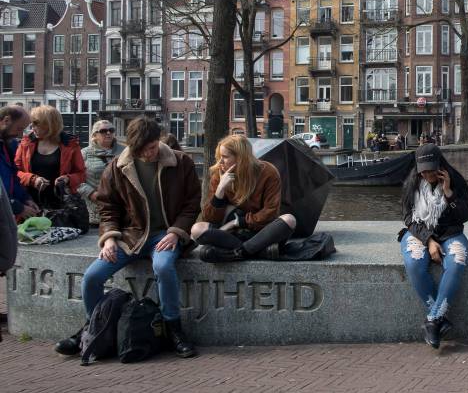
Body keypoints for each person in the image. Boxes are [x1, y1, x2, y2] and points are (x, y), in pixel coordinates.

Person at [54, 117, 201, 358]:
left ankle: (173, 329)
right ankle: (94, 330)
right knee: (92, 277)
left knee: (163, 267)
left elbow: (192, 203)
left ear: (158, 140)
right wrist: (110, 238)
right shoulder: (117, 167)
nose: (147, 155)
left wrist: (176, 232)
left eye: (152, 148)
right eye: (141, 150)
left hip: (165, 234)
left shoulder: (180, 162)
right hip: (130, 236)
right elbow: (108, 207)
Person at [398, 143, 468, 349]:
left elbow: (467, 215)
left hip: (451, 233)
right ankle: (439, 318)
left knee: (457, 261)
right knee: (414, 263)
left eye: (431, 169)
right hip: (419, 232)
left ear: (440, 164)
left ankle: (433, 319)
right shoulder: (411, 183)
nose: (427, 175)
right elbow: (408, 219)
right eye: (423, 171)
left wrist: (449, 193)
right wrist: (429, 241)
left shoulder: (455, 179)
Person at [190, 134, 296, 262]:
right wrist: (220, 190)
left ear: (240, 158)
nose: (220, 162)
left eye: (224, 157)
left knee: (289, 220)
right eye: (219, 157)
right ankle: (259, 251)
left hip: (261, 232)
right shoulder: (219, 175)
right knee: (196, 230)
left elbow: (270, 212)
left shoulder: (268, 172)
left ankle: (240, 252)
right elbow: (210, 219)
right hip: (232, 234)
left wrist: (238, 222)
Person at [15, 105, 85, 212]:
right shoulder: (26, 143)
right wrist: (32, 179)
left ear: (50, 124)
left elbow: (81, 174)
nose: (32, 127)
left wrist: (68, 179)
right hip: (30, 204)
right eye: (31, 123)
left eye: (36, 123)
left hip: (62, 206)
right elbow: (15, 172)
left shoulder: (71, 144)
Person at [78, 120, 126, 226]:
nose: (108, 133)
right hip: (94, 212)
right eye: (103, 131)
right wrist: (91, 193)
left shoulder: (125, 151)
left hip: (121, 212)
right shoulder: (84, 153)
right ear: (95, 135)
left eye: (111, 130)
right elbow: (76, 180)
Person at [0, 106, 37, 221]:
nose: (20, 135)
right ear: (6, 121)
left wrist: (25, 199)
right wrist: (18, 207)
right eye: (19, 128)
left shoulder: (10, 144)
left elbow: (13, 176)